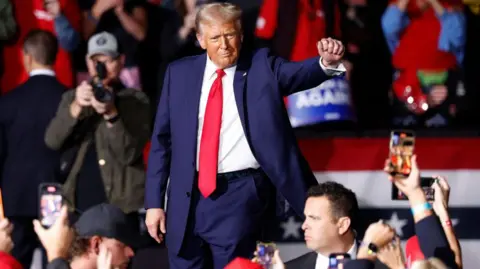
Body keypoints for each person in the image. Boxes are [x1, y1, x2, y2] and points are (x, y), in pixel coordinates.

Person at [145, 3, 346, 269]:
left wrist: (325, 64)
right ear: (200, 40)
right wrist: (154, 204)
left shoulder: (262, 67)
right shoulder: (179, 73)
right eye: (216, 38)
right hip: (185, 200)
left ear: (241, 36)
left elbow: (298, 74)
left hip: (239, 197)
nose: (225, 45)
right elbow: (162, 143)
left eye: (230, 35)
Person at [44, 32, 150, 216]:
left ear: (121, 61)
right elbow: (52, 141)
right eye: (96, 61)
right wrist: (76, 107)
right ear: (87, 62)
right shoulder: (72, 98)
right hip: (78, 202)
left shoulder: (135, 100)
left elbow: (128, 153)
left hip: (120, 204)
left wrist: (111, 114)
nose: (101, 68)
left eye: (107, 61)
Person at [0, 29, 66, 269]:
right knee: (58, 259)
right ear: (55, 57)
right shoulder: (68, 99)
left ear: (26, 57)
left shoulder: (8, 102)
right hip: (57, 195)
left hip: (16, 199)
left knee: (14, 262)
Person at [285, 182, 386, 269]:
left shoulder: (386, 266)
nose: (304, 226)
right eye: (306, 218)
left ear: (342, 225)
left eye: (314, 218)